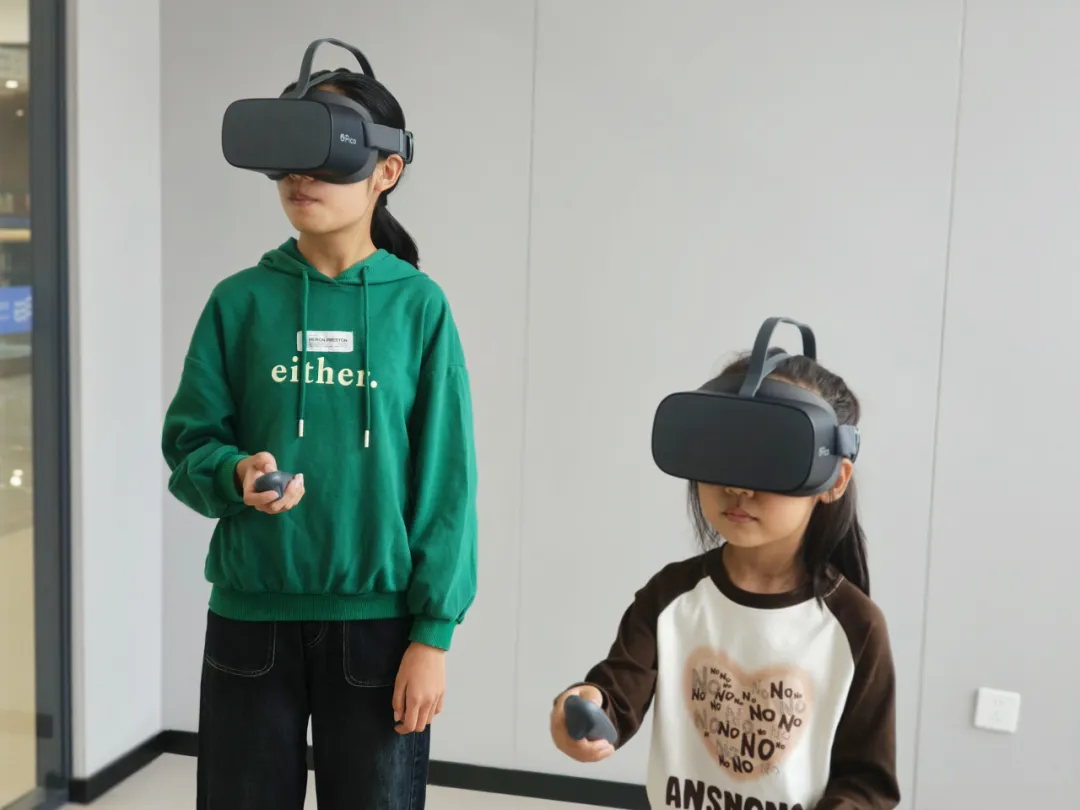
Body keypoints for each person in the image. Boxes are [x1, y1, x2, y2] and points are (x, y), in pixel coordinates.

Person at [162, 66, 478, 810]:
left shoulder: (419, 308)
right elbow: (189, 443)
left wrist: (433, 635)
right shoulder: (239, 301)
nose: (301, 175)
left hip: (378, 628)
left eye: (327, 152)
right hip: (250, 620)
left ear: (385, 171)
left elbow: (447, 483)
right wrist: (235, 474)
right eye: (289, 154)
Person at [550, 352, 900, 810]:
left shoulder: (855, 626)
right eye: (724, 454)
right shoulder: (670, 596)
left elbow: (868, 783)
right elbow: (616, 696)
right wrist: (583, 711)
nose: (739, 487)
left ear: (834, 481)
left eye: (771, 459)